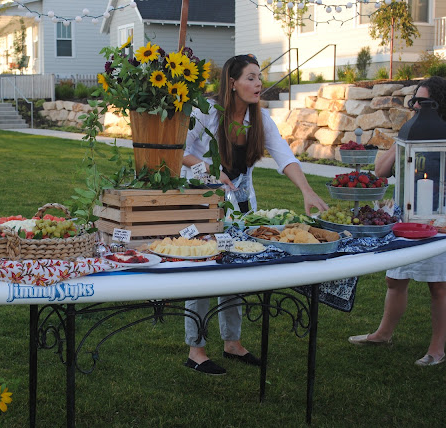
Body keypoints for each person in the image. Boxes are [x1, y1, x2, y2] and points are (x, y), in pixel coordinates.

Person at [182, 54, 329, 375]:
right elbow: (179, 148)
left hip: (241, 203)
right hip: (201, 199)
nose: (258, 83)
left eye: (259, 77)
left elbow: (285, 156)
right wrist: (207, 168)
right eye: (250, 77)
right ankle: (196, 349)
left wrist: (307, 190)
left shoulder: (261, 120)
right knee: (203, 267)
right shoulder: (206, 112)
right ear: (232, 83)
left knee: (234, 267)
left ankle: (232, 342)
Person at [349, 76, 446, 366]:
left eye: (424, 101)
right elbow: (380, 170)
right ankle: (383, 334)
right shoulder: (409, 130)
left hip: (437, 218)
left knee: (439, 285)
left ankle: (438, 348)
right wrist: (403, 137)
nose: (417, 105)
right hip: (405, 216)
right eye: (416, 100)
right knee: (395, 278)